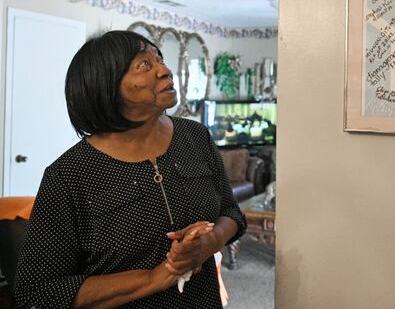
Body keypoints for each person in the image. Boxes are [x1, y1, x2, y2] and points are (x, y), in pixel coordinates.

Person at [14, 30, 246, 308]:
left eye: (159, 58)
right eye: (144, 65)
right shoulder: (69, 175)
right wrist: (155, 277)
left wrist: (211, 241)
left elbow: (231, 212)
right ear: (106, 85)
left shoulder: (195, 137)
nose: (165, 70)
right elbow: (38, 292)